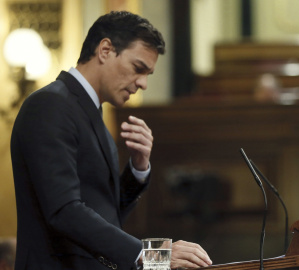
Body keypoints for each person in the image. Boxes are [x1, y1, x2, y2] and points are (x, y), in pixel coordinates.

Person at [10, 11, 212, 270]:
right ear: (105, 50)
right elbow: (64, 211)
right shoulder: (50, 104)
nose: (143, 83)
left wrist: (138, 169)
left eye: (148, 74)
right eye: (139, 69)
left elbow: (106, 214)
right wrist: (155, 255)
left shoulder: (93, 116)